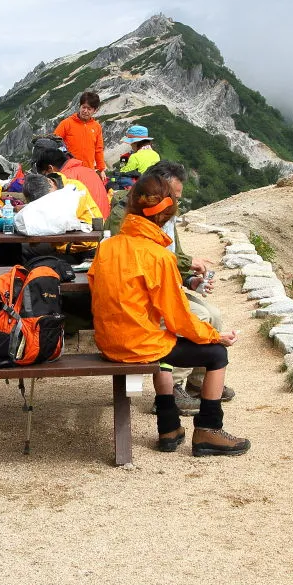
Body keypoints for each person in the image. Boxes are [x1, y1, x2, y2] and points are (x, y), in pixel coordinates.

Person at [87, 174, 248, 456]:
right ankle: (209, 430)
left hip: (108, 342)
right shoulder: (159, 256)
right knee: (215, 355)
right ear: (165, 216)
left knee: (163, 341)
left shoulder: (107, 247)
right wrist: (215, 336)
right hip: (136, 346)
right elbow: (179, 318)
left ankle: (170, 427)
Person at [106, 160, 234, 414]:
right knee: (200, 319)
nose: (175, 204)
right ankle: (173, 389)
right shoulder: (125, 215)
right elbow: (146, 258)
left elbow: (173, 255)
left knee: (214, 314)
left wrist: (189, 280)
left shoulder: (165, 215)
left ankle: (199, 382)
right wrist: (215, 338)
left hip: (164, 283)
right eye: (173, 197)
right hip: (144, 295)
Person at [32, 136, 111, 219]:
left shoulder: (65, 178)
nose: (47, 178)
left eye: (46, 174)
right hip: (104, 222)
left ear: (50, 168)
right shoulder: (90, 171)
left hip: (89, 226)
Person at [53, 90, 106, 174]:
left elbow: (98, 149)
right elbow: (54, 143)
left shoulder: (97, 127)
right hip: (68, 170)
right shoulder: (66, 123)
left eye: (89, 109)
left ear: (95, 110)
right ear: (80, 106)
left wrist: (101, 169)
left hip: (88, 170)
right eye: (83, 107)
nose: (85, 111)